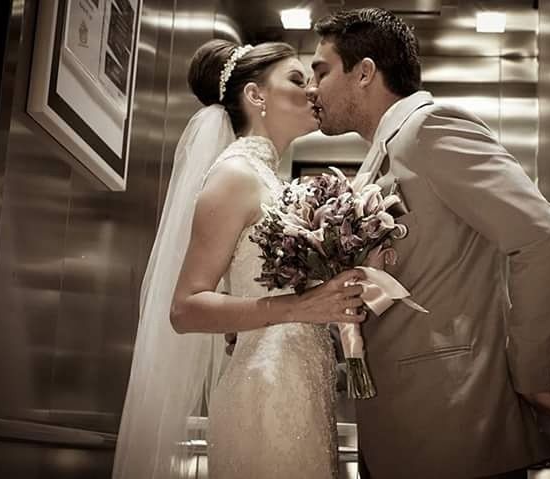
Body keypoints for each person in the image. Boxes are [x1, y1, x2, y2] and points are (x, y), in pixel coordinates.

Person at [306, 7, 550, 479]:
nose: (310, 88)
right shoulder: (379, 158)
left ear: (364, 73)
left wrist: (531, 374)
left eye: (321, 71)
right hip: (402, 432)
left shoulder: (430, 128)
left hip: (456, 430)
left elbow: (542, 239)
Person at [112, 39, 366, 479]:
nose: (311, 92)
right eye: (296, 79)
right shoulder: (236, 176)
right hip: (265, 390)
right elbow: (185, 307)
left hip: (302, 381)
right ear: (255, 96)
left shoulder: (270, 181)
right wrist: (300, 307)